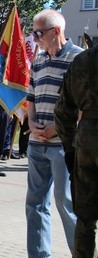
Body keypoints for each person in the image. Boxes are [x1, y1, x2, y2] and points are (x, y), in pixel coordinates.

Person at [25, 9, 81, 257]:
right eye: (33, 32)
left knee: (66, 203)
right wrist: (33, 122)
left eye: (39, 33)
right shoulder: (38, 60)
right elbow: (31, 97)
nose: (35, 38)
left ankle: (81, 252)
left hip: (64, 145)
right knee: (35, 205)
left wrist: (56, 127)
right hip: (37, 143)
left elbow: (82, 103)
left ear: (56, 31)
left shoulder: (80, 59)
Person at [55, 44, 98, 258]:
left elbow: (63, 110)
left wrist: (69, 150)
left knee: (85, 218)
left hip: (86, 143)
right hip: (84, 142)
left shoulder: (81, 60)